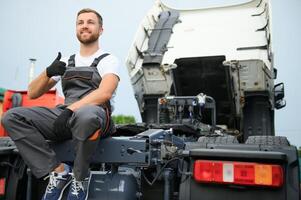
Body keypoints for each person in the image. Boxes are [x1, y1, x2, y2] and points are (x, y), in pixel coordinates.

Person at [1, 8, 120, 200]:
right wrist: (48, 72)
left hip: (97, 116)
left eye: (90, 22)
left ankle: (80, 178)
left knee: (86, 115)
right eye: (80, 22)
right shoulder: (66, 61)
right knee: (11, 117)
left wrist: (70, 110)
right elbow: (33, 92)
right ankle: (59, 170)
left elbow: (104, 92)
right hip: (67, 116)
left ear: (101, 30)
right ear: (76, 28)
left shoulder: (108, 60)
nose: (85, 26)